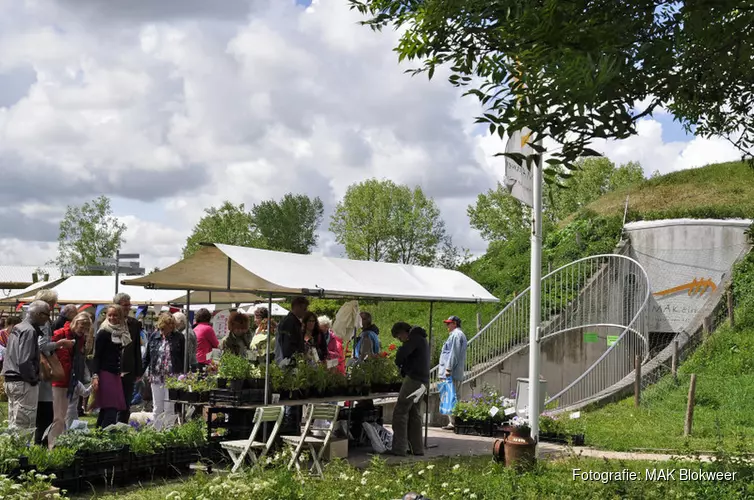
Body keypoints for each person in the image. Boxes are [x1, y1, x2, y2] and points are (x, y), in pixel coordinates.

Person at [2, 301, 73, 437]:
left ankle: (14, 453)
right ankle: (22, 456)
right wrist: (33, 380)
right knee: (24, 426)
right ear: (40, 314)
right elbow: (25, 360)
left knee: (14, 424)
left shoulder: (18, 327)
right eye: (47, 315)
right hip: (23, 382)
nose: (49, 319)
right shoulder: (29, 331)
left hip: (10, 380)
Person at [49, 312, 91, 448]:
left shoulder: (79, 338)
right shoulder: (61, 333)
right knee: (58, 416)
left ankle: (60, 443)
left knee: (64, 415)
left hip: (69, 380)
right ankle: (53, 445)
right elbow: (46, 349)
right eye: (81, 326)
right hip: (57, 379)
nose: (83, 330)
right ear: (75, 322)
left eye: (86, 328)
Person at [389, 322, 429, 457]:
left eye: (399, 337)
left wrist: (399, 359)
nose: (399, 340)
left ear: (403, 332)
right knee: (414, 413)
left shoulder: (414, 339)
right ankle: (416, 449)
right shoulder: (421, 338)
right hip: (423, 381)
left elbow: (402, 354)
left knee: (400, 411)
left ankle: (399, 448)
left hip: (413, 379)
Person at [142, 313, 185, 430]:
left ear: (171, 327)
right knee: (157, 406)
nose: (162, 332)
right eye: (160, 329)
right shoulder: (154, 336)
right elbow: (147, 356)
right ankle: (157, 430)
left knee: (169, 406)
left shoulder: (179, 337)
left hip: (173, 376)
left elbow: (184, 357)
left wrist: (184, 374)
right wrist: (140, 372)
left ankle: (169, 430)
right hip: (156, 376)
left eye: (164, 329)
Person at [91, 305, 130, 428]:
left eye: (115, 315)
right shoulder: (103, 332)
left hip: (115, 373)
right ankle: (108, 435)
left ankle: (98, 435)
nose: (112, 318)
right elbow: (97, 356)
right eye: (110, 315)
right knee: (111, 408)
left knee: (107, 408)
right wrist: (95, 375)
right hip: (105, 373)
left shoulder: (121, 333)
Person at [33, 289, 59, 445]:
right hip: (43, 367)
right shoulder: (43, 322)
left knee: (42, 411)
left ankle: (40, 444)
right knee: (45, 410)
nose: (53, 307)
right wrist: (59, 344)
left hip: (37, 369)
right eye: (52, 304)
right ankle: (41, 445)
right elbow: (42, 345)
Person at [113, 293, 143, 424]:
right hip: (113, 368)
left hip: (129, 368)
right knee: (113, 401)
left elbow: (137, 348)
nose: (128, 308)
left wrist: (138, 370)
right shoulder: (110, 322)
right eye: (125, 305)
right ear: (117, 306)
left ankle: (122, 427)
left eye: (129, 305)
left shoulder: (135, 324)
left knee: (126, 401)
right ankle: (110, 427)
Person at [438, 315, 468, 431]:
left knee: (450, 397)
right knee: (452, 397)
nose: (447, 326)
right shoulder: (457, 335)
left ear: (455, 323)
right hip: (454, 372)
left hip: (451, 373)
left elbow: (453, 353)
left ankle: (454, 423)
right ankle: (453, 422)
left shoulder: (456, 335)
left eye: (449, 323)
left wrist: (448, 368)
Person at [274, 297, 308, 366]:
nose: (305, 311)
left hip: (289, 360)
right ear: (297, 307)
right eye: (304, 309)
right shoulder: (290, 322)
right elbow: (287, 344)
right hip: (289, 362)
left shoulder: (291, 321)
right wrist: (294, 360)